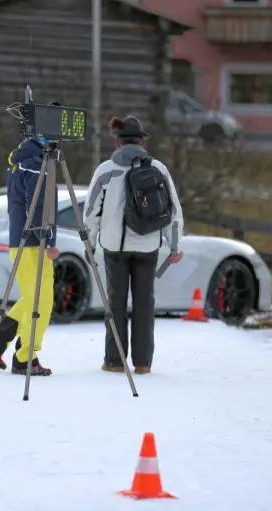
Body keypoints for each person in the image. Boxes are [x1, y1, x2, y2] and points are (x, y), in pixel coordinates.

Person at [83, 116, 184, 375]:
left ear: (117, 142)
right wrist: (174, 245)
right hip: (148, 246)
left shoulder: (106, 170)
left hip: (114, 248)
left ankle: (114, 361)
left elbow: (91, 211)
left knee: (115, 303)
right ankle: (142, 364)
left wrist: (90, 244)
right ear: (141, 141)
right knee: (144, 304)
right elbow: (172, 209)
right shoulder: (158, 168)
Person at [0, 135, 59, 376]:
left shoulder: (25, 161)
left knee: (36, 299)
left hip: (24, 242)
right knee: (40, 303)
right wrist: (48, 241)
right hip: (32, 243)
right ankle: (25, 359)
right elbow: (39, 205)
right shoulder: (34, 165)